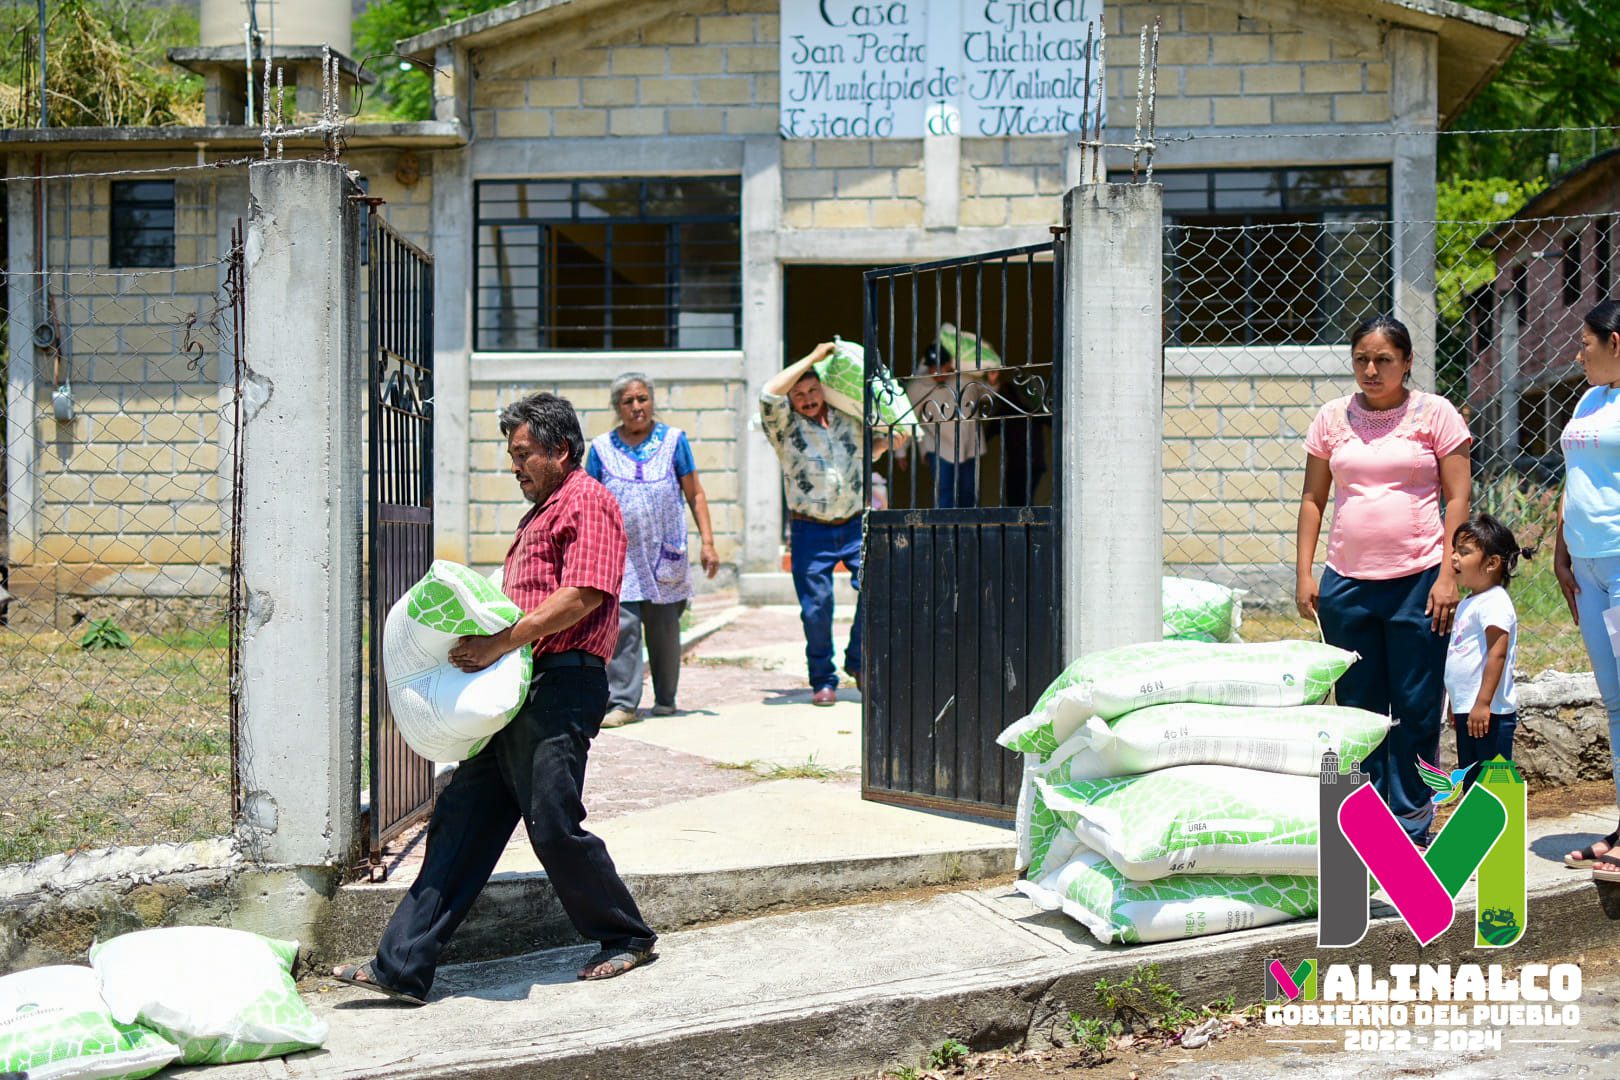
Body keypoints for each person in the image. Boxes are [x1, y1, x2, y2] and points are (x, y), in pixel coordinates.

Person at [333, 392, 657, 1003]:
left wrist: (497, 643)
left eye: (523, 453)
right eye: (512, 455)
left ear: (560, 450)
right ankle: (401, 966)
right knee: (462, 819)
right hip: (518, 685)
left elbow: (583, 595)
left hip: (561, 683)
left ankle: (626, 936)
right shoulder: (542, 510)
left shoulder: (588, 501)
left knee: (553, 823)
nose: (515, 466)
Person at [1295, 314, 1472, 846]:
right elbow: (1313, 498)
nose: (1371, 371)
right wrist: (1305, 572)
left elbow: (1458, 497)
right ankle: (1365, 825)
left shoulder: (1435, 414)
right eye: (1361, 361)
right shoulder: (1332, 418)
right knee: (1358, 707)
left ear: (1408, 361)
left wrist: (1448, 574)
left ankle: (1412, 823)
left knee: (1416, 705)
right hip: (1346, 584)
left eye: (1384, 360)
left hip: (1419, 579)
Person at [760, 342, 893, 705]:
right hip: (810, 529)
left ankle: (858, 661)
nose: (806, 399)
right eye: (799, 394)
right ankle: (823, 678)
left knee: (876, 590)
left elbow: (868, 449)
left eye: (812, 390)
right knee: (817, 608)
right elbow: (768, 394)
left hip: (854, 524)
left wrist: (889, 442)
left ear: (823, 389)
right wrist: (813, 356)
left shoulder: (847, 416)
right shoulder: (783, 427)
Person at [586, 373, 719, 727]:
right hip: (620, 555)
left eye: (642, 399)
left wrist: (708, 542)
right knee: (623, 627)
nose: (636, 407)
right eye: (628, 401)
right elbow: (588, 502)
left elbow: (695, 494)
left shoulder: (675, 441)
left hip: (664, 551)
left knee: (664, 628)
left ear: (652, 401)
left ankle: (666, 699)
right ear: (618, 408)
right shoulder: (600, 448)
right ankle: (623, 704)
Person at [1553, 301, 1620, 873]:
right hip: (1589, 569)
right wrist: (1560, 552)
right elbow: (1573, 479)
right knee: (1616, 703)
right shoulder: (1590, 399)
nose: (1579, 353)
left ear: (1615, 342)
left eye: (1587, 344)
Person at [1444, 514, 1527, 795]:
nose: (1454, 558)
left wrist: (1482, 703)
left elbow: (1496, 654)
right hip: (1471, 710)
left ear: (1492, 563)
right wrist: (1456, 704)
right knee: (1471, 781)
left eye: (1464, 552)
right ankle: (1477, 836)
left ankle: (1497, 836)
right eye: (1455, 550)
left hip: (1491, 714)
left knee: (1491, 786)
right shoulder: (1470, 601)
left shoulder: (1495, 602)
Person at [907, 344, 993, 508]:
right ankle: (944, 532)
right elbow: (907, 417)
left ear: (950, 364)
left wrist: (992, 381)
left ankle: (969, 530)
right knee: (945, 492)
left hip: (970, 445)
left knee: (970, 493)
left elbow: (988, 394)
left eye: (942, 367)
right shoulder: (917, 386)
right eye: (934, 368)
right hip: (938, 446)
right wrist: (900, 452)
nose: (938, 372)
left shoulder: (965, 379)